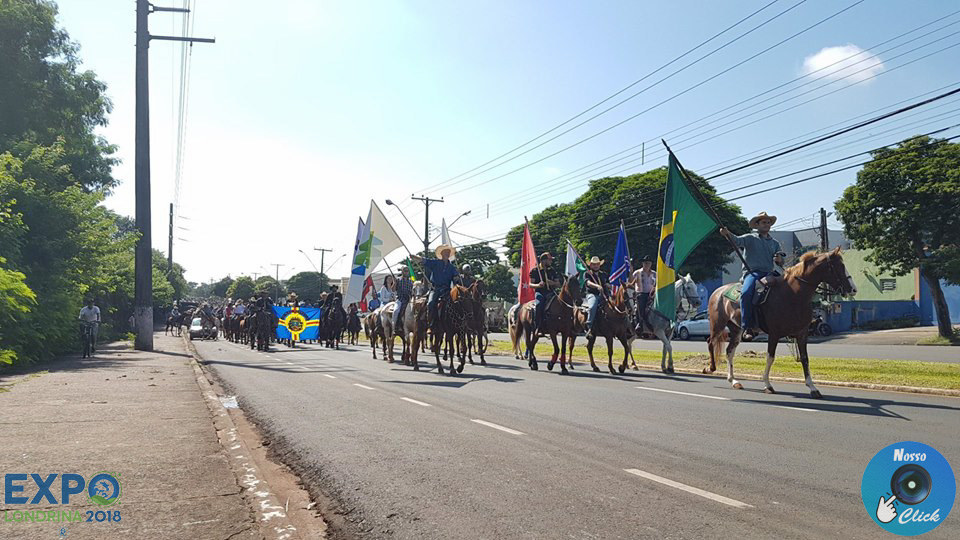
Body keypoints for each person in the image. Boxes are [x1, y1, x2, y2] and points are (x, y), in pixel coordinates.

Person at [720, 212, 784, 340]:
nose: (766, 224)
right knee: (746, 293)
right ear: (757, 225)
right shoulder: (750, 238)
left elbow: (780, 261)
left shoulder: (775, 243)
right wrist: (727, 234)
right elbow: (737, 241)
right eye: (763, 222)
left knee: (788, 289)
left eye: (768, 222)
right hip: (753, 273)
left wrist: (779, 259)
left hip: (769, 273)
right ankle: (747, 326)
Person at [410, 244, 459, 331]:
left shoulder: (452, 267)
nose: (447, 254)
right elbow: (424, 261)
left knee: (457, 303)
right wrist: (415, 258)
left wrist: (457, 278)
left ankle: (455, 324)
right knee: (431, 303)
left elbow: (455, 279)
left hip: (447, 290)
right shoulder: (436, 263)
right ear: (442, 254)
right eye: (445, 252)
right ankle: (430, 324)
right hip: (435, 289)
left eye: (448, 252)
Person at [529, 252, 561, 332]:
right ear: (544, 260)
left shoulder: (552, 270)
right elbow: (530, 284)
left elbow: (558, 284)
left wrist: (552, 283)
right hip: (540, 292)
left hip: (551, 292)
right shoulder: (535, 270)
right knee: (539, 304)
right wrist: (538, 285)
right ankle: (537, 326)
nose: (551, 262)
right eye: (549, 260)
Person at [583, 256, 610, 338]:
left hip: (605, 295)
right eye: (594, 264)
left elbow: (608, 283)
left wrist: (609, 286)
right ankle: (589, 326)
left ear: (599, 265)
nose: (596, 266)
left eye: (597, 264)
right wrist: (597, 286)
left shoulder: (604, 274)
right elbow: (588, 283)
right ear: (590, 265)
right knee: (592, 307)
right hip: (592, 294)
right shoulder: (587, 273)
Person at [627, 255, 657, 319]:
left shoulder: (654, 274)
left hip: (652, 294)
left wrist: (654, 289)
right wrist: (630, 272)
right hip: (641, 293)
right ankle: (639, 321)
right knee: (641, 305)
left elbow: (657, 284)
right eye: (646, 263)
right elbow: (630, 282)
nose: (647, 265)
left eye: (649, 263)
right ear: (643, 263)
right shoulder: (637, 272)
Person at [393, 264, 414, 330]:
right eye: (405, 270)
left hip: (408, 300)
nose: (406, 272)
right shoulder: (398, 280)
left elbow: (412, 291)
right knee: (396, 311)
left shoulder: (410, 281)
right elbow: (393, 289)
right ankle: (395, 326)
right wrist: (394, 283)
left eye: (407, 271)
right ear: (402, 271)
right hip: (400, 299)